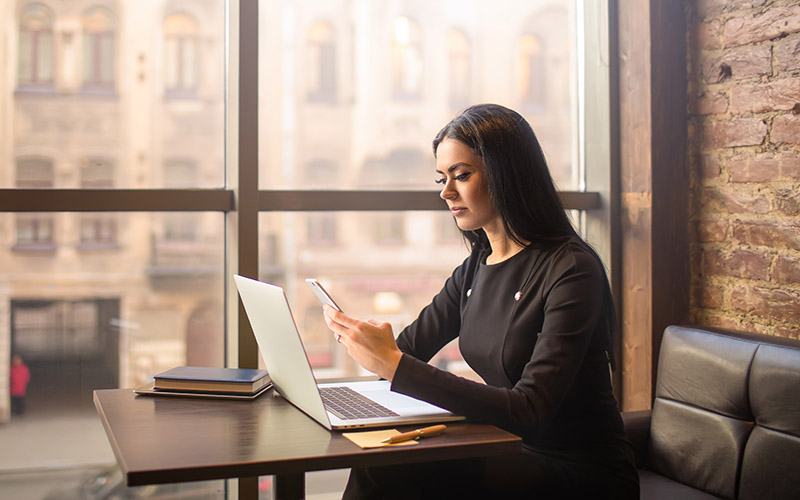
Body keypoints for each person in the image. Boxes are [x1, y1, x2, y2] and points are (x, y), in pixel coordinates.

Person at [322, 104, 639, 499]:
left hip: (580, 472)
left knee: (387, 472)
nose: (445, 191)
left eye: (462, 175)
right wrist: (371, 343)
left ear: (508, 174)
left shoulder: (572, 270)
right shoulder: (476, 267)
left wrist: (393, 363)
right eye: (442, 178)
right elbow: (407, 350)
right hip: (509, 449)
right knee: (381, 461)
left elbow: (530, 409)